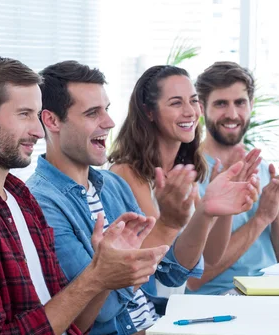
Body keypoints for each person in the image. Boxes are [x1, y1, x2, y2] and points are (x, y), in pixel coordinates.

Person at [0, 56, 165, 335]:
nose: (38, 130)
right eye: (24, 115)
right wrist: (95, 277)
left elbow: (74, 327)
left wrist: (102, 273)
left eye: (37, 115)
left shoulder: (21, 198)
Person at [27, 61, 256, 335]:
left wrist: (206, 212)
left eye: (107, 110)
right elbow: (102, 311)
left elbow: (172, 272)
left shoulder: (110, 186)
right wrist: (170, 224)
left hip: (154, 329)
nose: (109, 122)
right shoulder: (42, 204)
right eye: (92, 113)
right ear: (51, 121)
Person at [108, 65, 260, 274]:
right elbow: (158, 263)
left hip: (178, 302)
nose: (190, 112)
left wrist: (221, 209)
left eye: (193, 100)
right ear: (149, 112)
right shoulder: (126, 173)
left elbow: (210, 257)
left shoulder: (186, 173)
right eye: (176, 103)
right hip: (148, 304)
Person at [186, 61, 279, 295]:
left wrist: (278, 212)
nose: (232, 114)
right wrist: (260, 219)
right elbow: (194, 278)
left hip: (271, 296)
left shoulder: (263, 169)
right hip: (217, 302)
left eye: (240, 103)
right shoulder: (189, 176)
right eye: (221, 104)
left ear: (250, 105)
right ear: (201, 108)